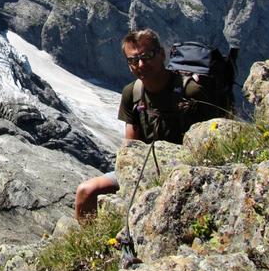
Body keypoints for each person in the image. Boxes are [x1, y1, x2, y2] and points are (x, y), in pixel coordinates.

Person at [74, 28, 218, 222]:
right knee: (86, 191)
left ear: (161, 54)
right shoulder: (132, 93)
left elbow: (211, 142)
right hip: (143, 169)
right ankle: (94, 240)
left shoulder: (191, 92)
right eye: (133, 60)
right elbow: (131, 148)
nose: (141, 64)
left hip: (186, 169)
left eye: (147, 56)